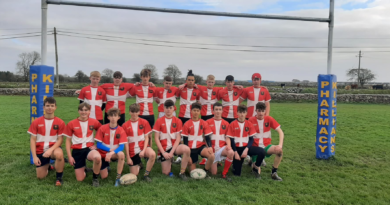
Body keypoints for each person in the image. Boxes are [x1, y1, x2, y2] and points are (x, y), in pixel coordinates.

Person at [27, 97, 65, 186]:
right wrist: (34, 157)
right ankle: (48, 166)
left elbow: (60, 140)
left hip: (53, 149)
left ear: (55, 107)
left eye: (52, 106)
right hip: (40, 150)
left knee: (59, 154)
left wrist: (50, 150)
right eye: (47, 106)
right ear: (43, 107)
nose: (50, 108)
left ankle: (59, 178)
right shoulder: (36, 122)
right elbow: (32, 140)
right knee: (40, 177)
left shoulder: (60, 122)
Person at [64, 103, 102, 187]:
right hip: (77, 150)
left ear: (89, 111)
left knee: (97, 157)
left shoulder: (94, 121)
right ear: (78, 111)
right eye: (81, 110)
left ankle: (95, 178)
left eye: (86, 110)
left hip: (89, 148)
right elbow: (68, 141)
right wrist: (69, 156)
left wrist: (98, 145)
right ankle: (83, 168)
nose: (84, 112)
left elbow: (102, 132)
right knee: (80, 179)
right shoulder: (71, 123)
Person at [153, 100, 191, 180]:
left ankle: (182, 172)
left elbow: (178, 138)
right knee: (165, 173)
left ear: (174, 109)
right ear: (163, 109)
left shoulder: (178, 121)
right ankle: (169, 160)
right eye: (167, 108)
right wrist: (163, 152)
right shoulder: (159, 121)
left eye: (170, 108)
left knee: (186, 149)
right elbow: (156, 138)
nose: (168, 110)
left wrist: (171, 152)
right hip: (165, 148)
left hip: (175, 147)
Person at [226, 104, 265, 178]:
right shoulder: (232, 124)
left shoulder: (249, 124)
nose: (242, 114)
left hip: (246, 148)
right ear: (237, 113)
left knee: (262, 151)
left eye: (243, 112)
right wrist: (235, 152)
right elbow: (231, 139)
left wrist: (246, 149)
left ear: (246, 113)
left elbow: (251, 139)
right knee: (237, 174)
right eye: (240, 112)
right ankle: (235, 165)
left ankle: (256, 167)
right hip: (237, 149)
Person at [248, 102, 284, 181]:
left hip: (267, 146)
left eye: (262, 111)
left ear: (265, 111)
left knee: (279, 151)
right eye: (259, 111)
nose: (261, 113)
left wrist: (280, 145)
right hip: (256, 148)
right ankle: (252, 161)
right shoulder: (251, 120)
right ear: (256, 111)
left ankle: (274, 172)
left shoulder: (269, 119)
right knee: (257, 173)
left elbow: (280, 132)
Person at [123, 103, 156, 182]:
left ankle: (146, 175)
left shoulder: (144, 122)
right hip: (132, 150)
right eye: (132, 111)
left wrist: (144, 150)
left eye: (136, 112)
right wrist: (128, 157)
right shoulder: (125, 125)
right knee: (134, 175)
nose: (134, 114)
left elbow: (146, 137)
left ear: (139, 112)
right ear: (129, 112)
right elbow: (126, 143)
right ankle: (139, 164)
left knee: (152, 154)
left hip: (142, 147)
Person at [94, 108, 127, 186]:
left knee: (121, 154)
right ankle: (102, 167)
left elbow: (121, 147)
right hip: (103, 153)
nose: (113, 118)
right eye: (111, 116)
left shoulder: (121, 130)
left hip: (113, 154)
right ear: (108, 117)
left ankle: (118, 178)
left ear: (119, 117)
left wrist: (111, 153)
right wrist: (109, 150)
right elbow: (99, 145)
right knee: (104, 177)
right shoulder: (102, 128)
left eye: (115, 116)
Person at [181, 102, 215, 178]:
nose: (196, 112)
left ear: (200, 112)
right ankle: (191, 163)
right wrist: (187, 154)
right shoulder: (187, 123)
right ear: (191, 111)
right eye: (194, 110)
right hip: (190, 148)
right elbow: (185, 140)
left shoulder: (203, 123)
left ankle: (205, 171)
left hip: (200, 147)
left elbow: (207, 137)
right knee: (192, 173)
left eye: (197, 111)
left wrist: (209, 147)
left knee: (212, 156)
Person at [175, 70, 201, 163]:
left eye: (192, 80)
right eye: (189, 80)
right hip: (182, 116)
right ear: (186, 80)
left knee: (193, 136)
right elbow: (174, 94)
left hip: (192, 117)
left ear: (194, 81)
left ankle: (193, 156)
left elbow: (199, 102)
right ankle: (179, 156)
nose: (190, 81)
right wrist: (181, 86)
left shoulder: (197, 90)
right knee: (181, 136)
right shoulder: (181, 89)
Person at [206, 102, 234, 182]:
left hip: (222, 148)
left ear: (222, 111)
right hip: (212, 149)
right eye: (216, 109)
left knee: (231, 152)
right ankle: (209, 161)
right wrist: (208, 147)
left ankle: (224, 173)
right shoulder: (208, 122)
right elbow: (205, 137)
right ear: (213, 111)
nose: (218, 111)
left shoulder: (226, 123)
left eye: (220, 110)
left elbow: (227, 137)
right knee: (214, 173)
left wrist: (228, 145)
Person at [129, 69, 156, 147]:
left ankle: (149, 149)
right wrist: (134, 85)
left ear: (149, 77)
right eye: (143, 76)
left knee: (150, 135)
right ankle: (140, 148)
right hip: (139, 114)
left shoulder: (153, 87)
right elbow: (130, 94)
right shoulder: (136, 87)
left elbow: (157, 98)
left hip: (150, 114)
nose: (145, 78)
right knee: (140, 133)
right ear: (141, 77)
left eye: (146, 77)